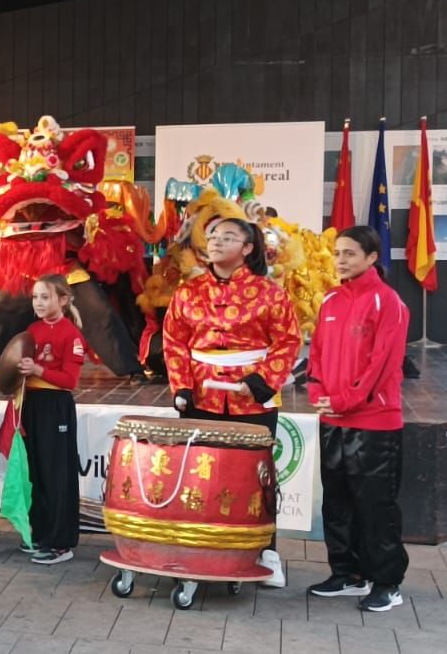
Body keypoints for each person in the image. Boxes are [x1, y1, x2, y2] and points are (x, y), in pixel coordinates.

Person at [162, 217, 301, 587]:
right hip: (202, 393)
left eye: (227, 237)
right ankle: (197, 547)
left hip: (252, 398)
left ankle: (265, 551)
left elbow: (288, 340)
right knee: (199, 474)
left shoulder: (270, 293)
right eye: (211, 236)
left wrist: (260, 381)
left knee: (257, 477)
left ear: (248, 248)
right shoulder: (187, 292)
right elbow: (174, 341)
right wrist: (182, 386)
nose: (216, 242)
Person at [305, 225, 410, 612]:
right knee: (337, 502)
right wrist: (319, 394)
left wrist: (346, 400)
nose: (340, 260)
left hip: (374, 423)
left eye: (349, 253)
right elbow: (315, 354)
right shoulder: (330, 299)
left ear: (371, 258)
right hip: (333, 419)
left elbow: (382, 364)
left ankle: (386, 583)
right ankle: (347, 574)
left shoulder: (389, 302)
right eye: (337, 253)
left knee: (376, 507)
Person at [16, 274, 87, 565]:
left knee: (57, 474)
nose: (39, 302)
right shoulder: (31, 329)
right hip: (31, 403)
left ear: (64, 300)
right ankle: (41, 534)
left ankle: (61, 542)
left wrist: (38, 370)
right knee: (36, 472)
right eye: (35, 297)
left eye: (45, 297)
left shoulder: (71, 334)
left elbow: (69, 380)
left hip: (55, 405)